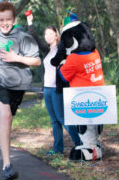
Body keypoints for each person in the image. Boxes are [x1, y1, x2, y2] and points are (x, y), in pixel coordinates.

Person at [0, 1, 41, 180]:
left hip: (18, 83)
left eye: (8, 19)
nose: (5, 23)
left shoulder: (22, 37)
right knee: (6, 115)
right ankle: (6, 165)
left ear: (14, 19)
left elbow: (37, 61)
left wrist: (17, 58)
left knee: (7, 113)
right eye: (1, 20)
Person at [26, 12, 81, 155]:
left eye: (51, 34)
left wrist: (71, 23)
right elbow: (35, 38)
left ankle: (80, 144)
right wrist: (30, 22)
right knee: (54, 120)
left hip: (58, 89)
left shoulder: (62, 49)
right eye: (46, 35)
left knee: (62, 118)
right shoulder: (47, 50)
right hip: (47, 90)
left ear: (56, 35)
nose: (48, 37)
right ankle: (57, 149)